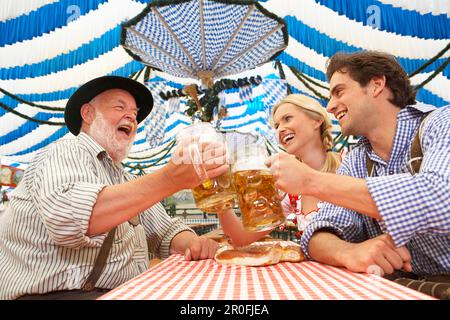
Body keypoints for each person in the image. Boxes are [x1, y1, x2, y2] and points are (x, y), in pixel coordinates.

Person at [0, 76, 228, 300]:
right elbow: (71, 220)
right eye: (119, 107)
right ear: (88, 114)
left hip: (124, 292)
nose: (131, 116)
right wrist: (170, 179)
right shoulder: (65, 150)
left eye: (135, 113)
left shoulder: (125, 179)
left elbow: (166, 232)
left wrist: (193, 243)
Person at [266, 51, 450, 279]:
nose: (331, 106)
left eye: (339, 92)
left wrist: (309, 181)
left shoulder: (442, 123)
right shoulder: (357, 159)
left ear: (376, 85)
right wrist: (348, 252)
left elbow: (441, 196)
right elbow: (320, 229)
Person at [218, 94, 341, 246]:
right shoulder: (291, 189)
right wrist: (220, 199)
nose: (281, 129)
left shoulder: (349, 163)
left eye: (287, 119)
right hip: (319, 269)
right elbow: (241, 238)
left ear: (316, 120)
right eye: (276, 126)